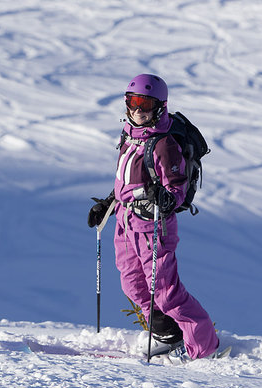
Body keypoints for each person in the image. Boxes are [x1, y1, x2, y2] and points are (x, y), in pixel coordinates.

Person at [88, 73, 219, 363]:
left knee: (165, 291)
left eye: (145, 104)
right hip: (125, 222)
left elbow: (177, 188)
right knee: (133, 284)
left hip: (152, 226)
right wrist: (108, 203)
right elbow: (127, 179)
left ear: (160, 107)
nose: (138, 110)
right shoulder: (129, 135)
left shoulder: (163, 144)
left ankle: (205, 347)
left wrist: (167, 197)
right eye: (133, 102)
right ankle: (168, 336)